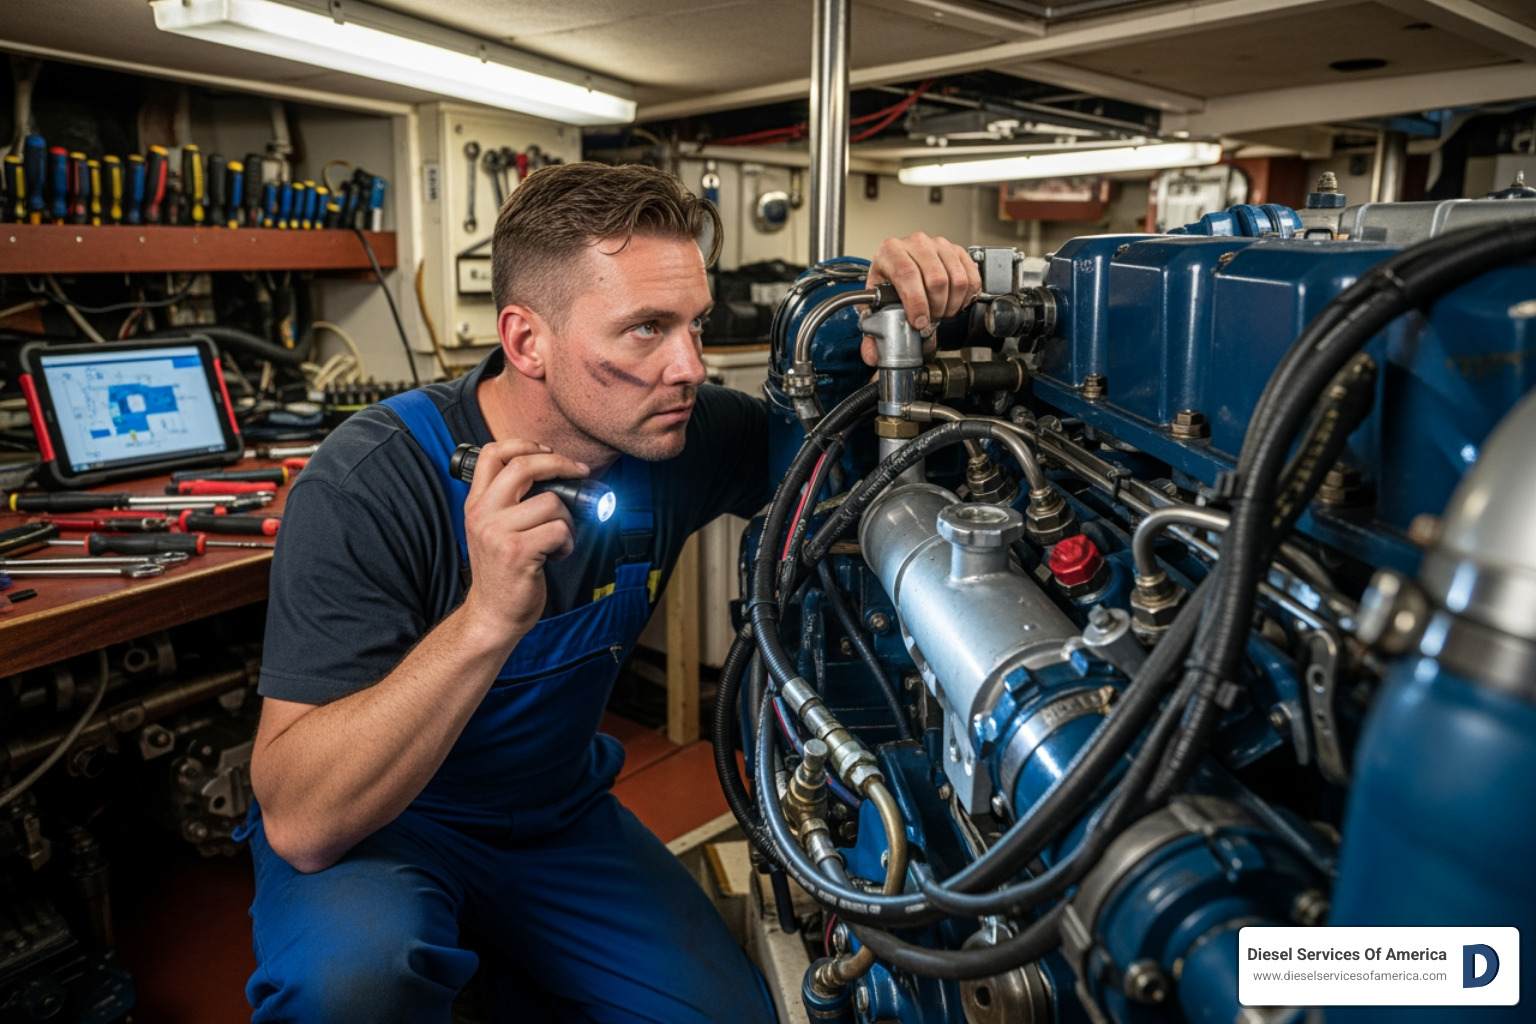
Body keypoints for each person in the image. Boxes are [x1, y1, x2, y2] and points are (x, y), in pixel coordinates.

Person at [242, 161, 982, 1023]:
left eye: (695, 324)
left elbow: (846, 473)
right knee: (351, 990)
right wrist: (485, 622)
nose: (690, 366)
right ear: (527, 342)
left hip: (557, 817)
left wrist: (902, 317)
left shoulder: (681, 434)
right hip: (389, 829)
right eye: (645, 329)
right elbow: (300, 818)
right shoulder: (369, 483)